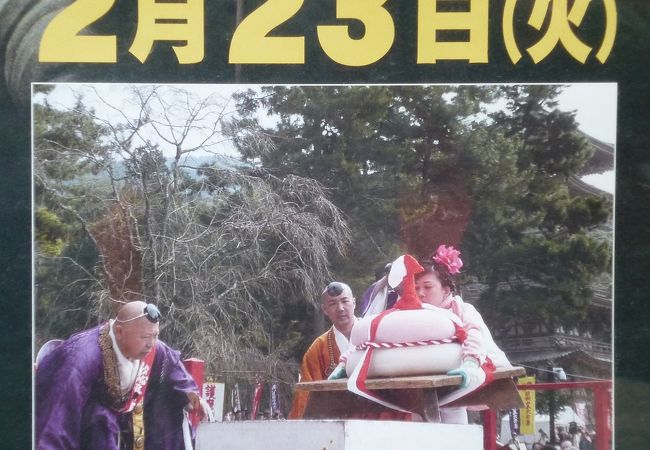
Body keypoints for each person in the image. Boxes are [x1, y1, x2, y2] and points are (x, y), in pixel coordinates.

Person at [36, 301, 204, 449]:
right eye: (145, 337)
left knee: (168, 409)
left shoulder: (152, 349)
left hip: (119, 424)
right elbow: (57, 417)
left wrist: (189, 392)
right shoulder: (80, 359)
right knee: (100, 419)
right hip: (86, 424)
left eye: (155, 336)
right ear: (119, 331)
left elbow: (171, 364)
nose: (150, 344)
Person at [414, 245, 512, 423]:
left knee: (453, 409)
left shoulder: (463, 310)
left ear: (446, 290)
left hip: (464, 374)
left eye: (427, 287)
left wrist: (470, 363)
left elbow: (474, 334)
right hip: (429, 379)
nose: (420, 293)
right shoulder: (415, 315)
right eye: (416, 288)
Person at [288, 281, 357, 419]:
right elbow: (306, 395)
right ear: (324, 310)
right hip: (335, 421)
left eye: (345, 301)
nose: (340, 308)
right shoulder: (318, 349)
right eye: (333, 304)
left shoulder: (374, 337)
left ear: (354, 302)